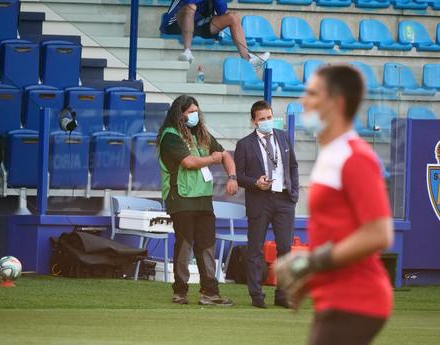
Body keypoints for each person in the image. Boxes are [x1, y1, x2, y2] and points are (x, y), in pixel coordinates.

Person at [275, 65, 394, 345]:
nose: (304, 100)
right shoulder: (332, 154)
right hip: (337, 299)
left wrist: (309, 262)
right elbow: (337, 232)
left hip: (357, 299)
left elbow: (379, 233)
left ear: (337, 103)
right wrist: (311, 279)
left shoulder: (355, 157)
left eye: (313, 93)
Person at [157, 94, 238, 306]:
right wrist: (212, 159)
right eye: (190, 112)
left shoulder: (201, 134)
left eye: (196, 111)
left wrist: (232, 177)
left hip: (203, 198)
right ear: (179, 114)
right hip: (181, 197)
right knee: (184, 245)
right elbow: (189, 162)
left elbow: (226, 155)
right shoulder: (170, 136)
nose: (195, 115)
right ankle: (180, 292)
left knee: (207, 245)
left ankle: (210, 292)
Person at [234, 100, 299, 308]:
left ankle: (283, 295)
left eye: (269, 117)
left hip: (284, 199)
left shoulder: (283, 137)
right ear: (254, 121)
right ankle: (257, 296)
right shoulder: (244, 144)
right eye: (262, 119)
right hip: (259, 199)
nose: (267, 122)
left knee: (285, 248)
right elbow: (238, 175)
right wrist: (255, 182)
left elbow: (293, 166)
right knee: (255, 250)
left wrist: (294, 193)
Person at [159, 0, 269, 68]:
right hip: (175, 23)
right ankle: (186, 51)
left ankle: (248, 59)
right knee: (191, 7)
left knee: (233, 17)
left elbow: (222, 11)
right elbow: (188, 2)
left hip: (200, 24)